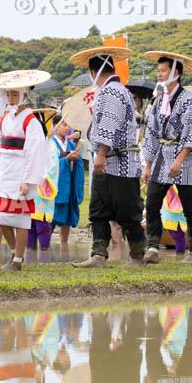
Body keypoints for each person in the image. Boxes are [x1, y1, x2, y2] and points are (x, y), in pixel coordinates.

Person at [70, 46, 146, 268]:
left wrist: (101, 153)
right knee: (99, 209)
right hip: (107, 158)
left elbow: (109, 123)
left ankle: (137, 256)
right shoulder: (113, 90)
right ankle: (98, 255)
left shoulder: (112, 91)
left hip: (119, 161)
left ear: (94, 72)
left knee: (127, 209)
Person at [140, 52, 192, 264]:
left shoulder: (188, 101)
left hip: (183, 160)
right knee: (152, 204)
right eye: (158, 71)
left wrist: (179, 159)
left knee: (189, 206)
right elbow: (150, 133)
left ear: (175, 72)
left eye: (163, 70)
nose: (159, 74)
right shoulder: (158, 103)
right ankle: (152, 248)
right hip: (160, 157)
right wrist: (147, 164)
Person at [0, 70, 52, 271]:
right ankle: (14, 252)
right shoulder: (4, 120)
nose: (12, 98)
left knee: (21, 218)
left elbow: (35, 152)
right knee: (1, 218)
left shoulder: (31, 121)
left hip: (22, 171)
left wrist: (28, 180)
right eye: (9, 94)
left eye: (15, 94)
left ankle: (18, 260)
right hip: (6, 171)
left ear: (24, 95)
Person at [50, 116, 84, 255]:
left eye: (68, 125)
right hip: (56, 184)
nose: (66, 127)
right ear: (55, 126)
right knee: (52, 215)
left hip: (69, 183)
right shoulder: (51, 143)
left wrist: (76, 158)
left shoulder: (70, 145)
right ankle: (46, 242)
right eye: (63, 124)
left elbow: (78, 163)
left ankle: (64, 243)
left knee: (68, 215)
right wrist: (66, 159)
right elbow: (50, 164)